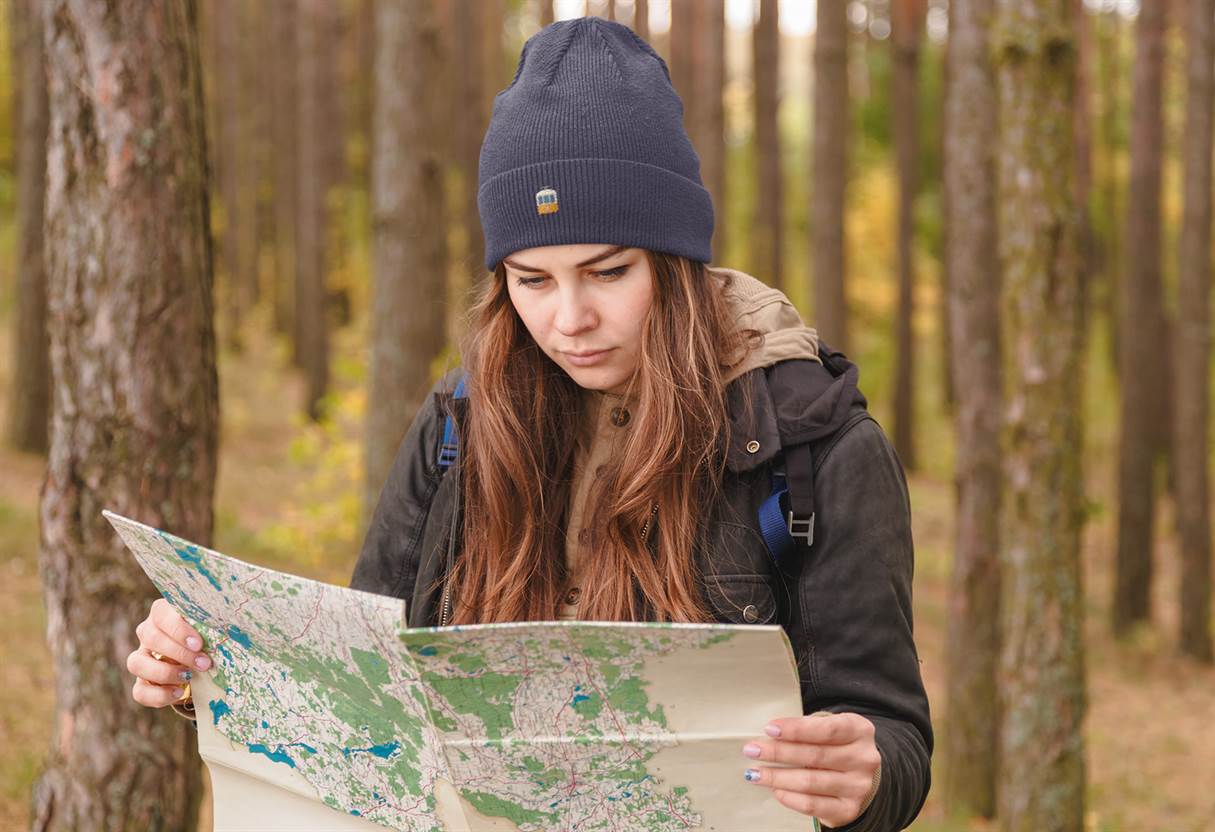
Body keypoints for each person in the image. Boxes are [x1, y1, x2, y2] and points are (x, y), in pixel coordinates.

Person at [128, 16, 933, 831]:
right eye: (532, 279)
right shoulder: (459, 425)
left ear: (675, 261)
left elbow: (892, 738)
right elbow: (364, 696)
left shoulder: (810, 444)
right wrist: (213, 674)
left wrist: (862, 777)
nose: (569, 318)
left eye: (607, 271)